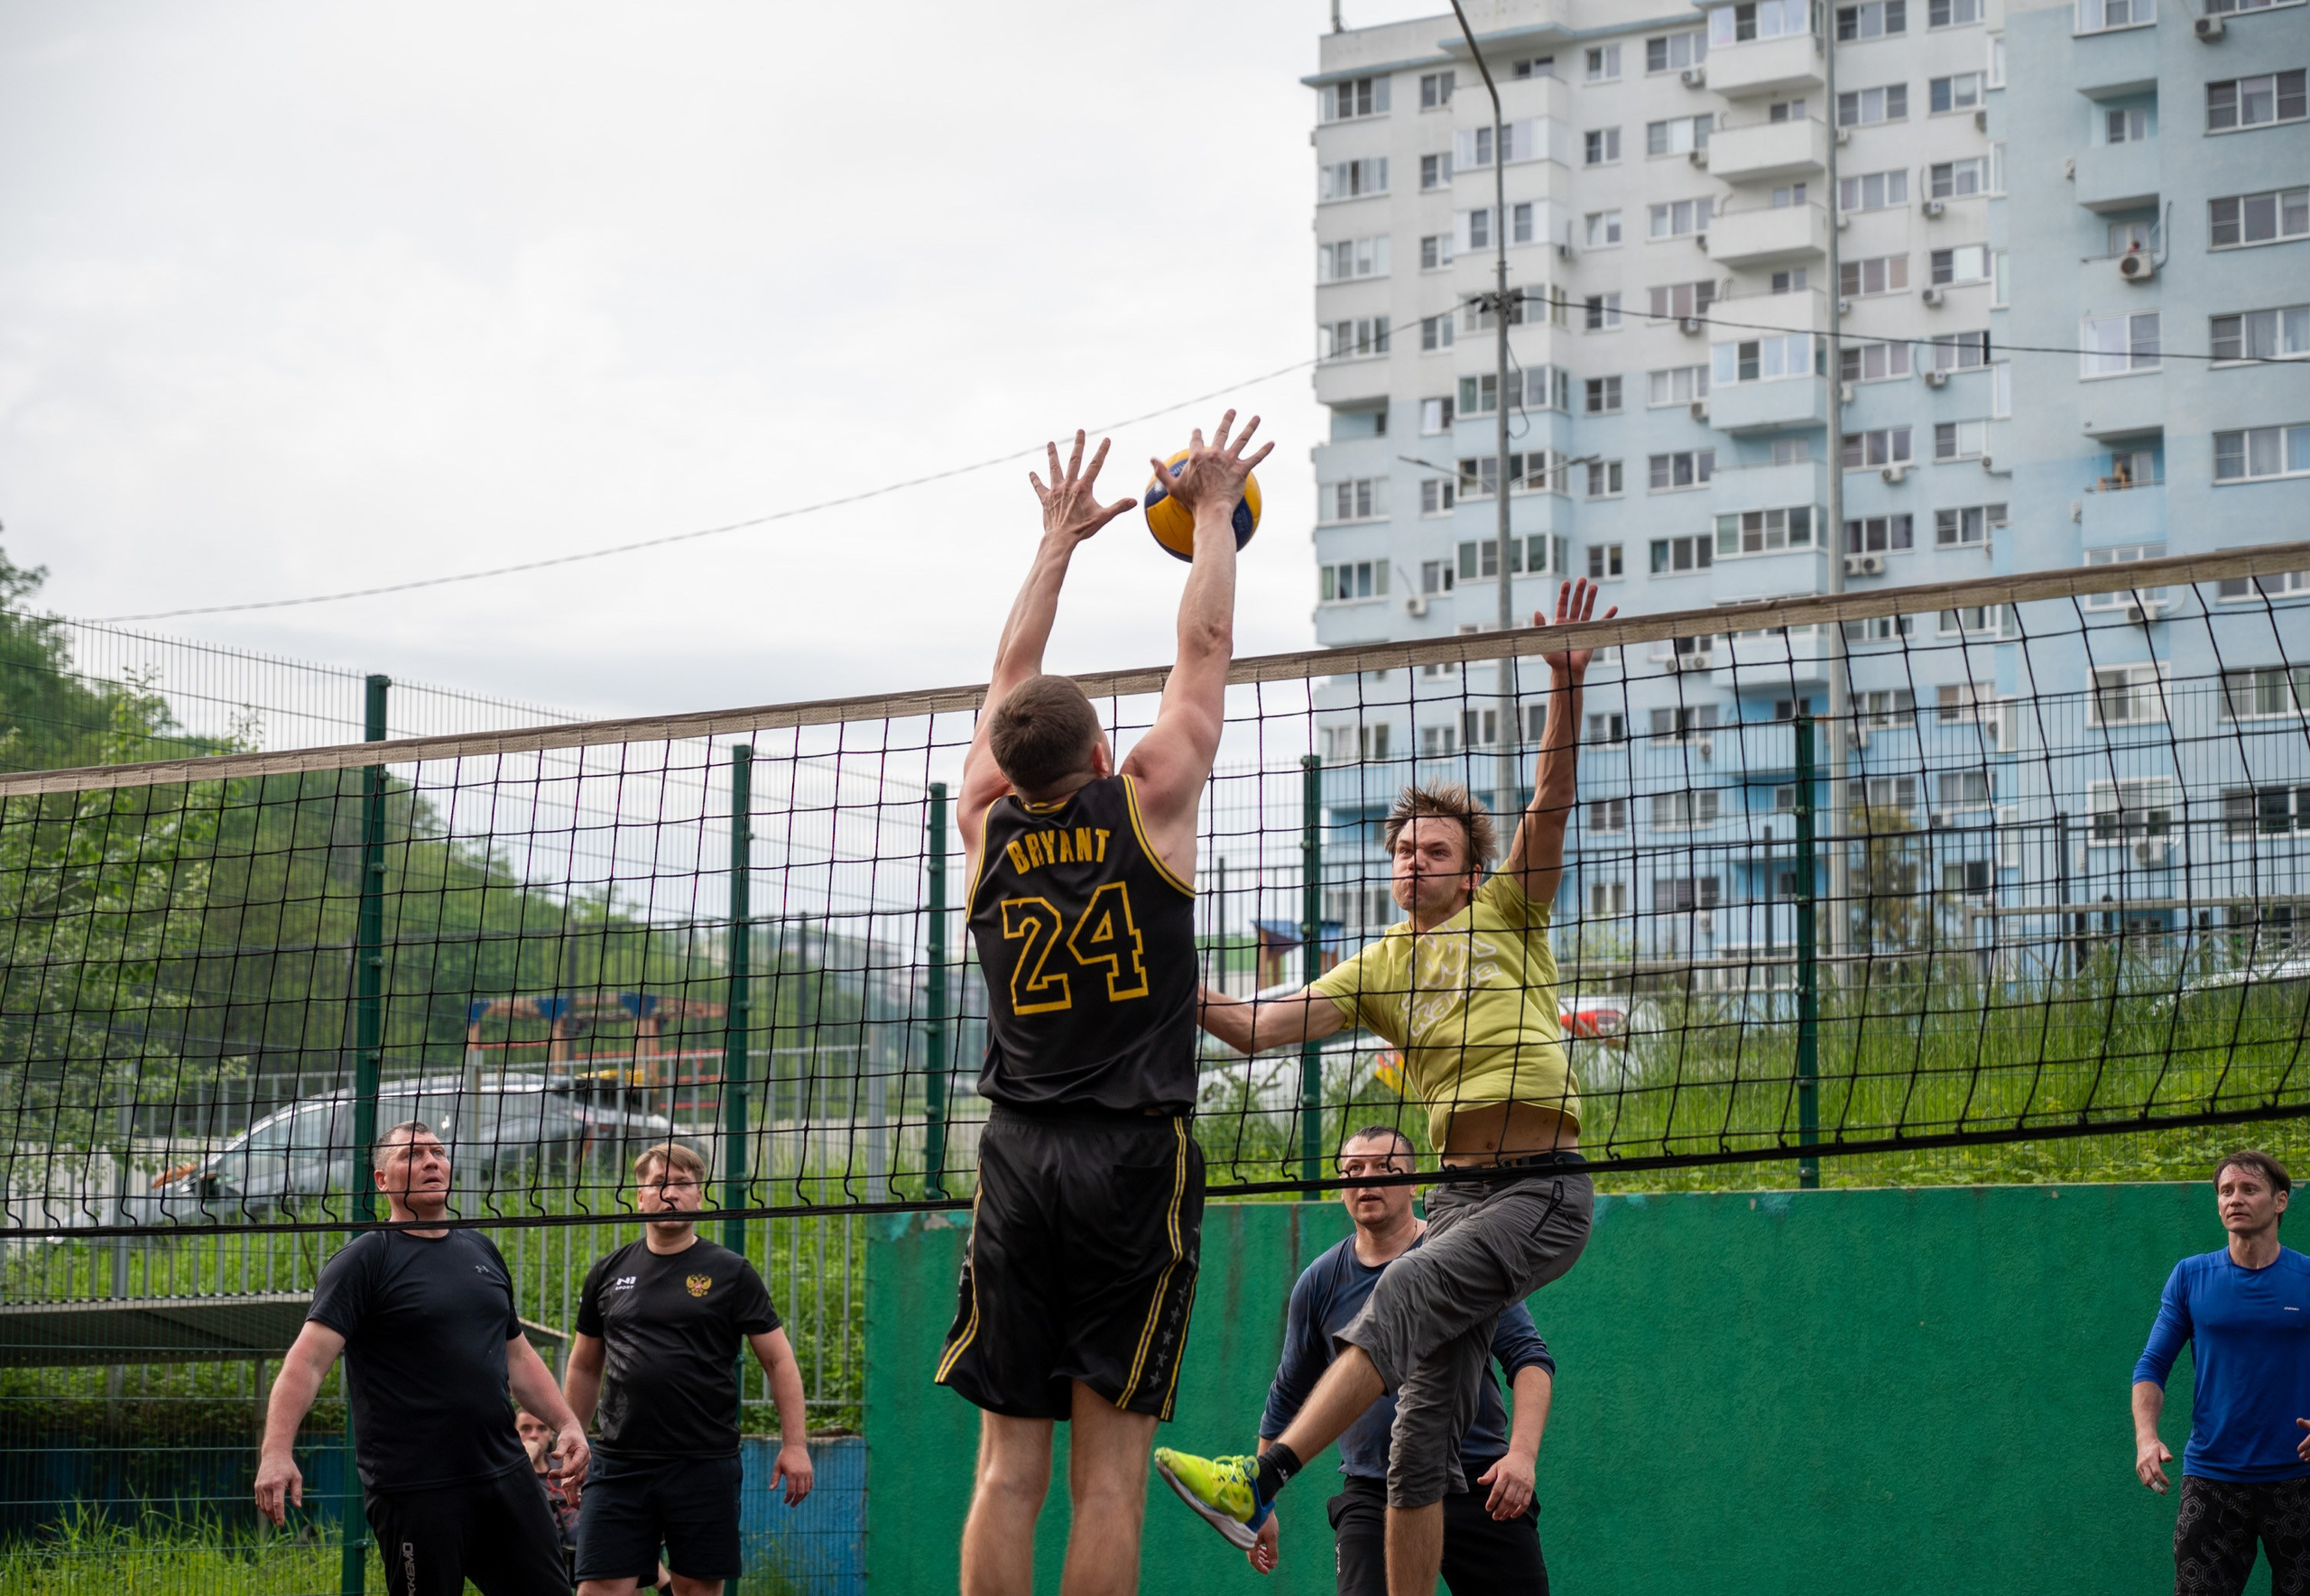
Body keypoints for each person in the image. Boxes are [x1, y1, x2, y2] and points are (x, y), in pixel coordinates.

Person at [1156, 577, 1614, 1596]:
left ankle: (1260, 1470)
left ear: (1468, 868)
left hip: (1542, 1184)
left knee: (1400, 1279)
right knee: (1414, 1439)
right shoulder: (1373, 968)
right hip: (1460, 1193)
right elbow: (1255, 1025)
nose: (1414, 861)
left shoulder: (1509, 913)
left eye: (1435, 850)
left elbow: (1551, 802)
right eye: (1403, 850)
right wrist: (1166, 969)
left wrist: (1566, 686)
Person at [934, 415, 1270, 1596]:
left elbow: (1003, 688)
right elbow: (1209, 640)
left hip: (1016, 1157)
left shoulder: (985, 826)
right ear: (1101, 748)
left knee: (1003, 1474)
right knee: (1110, 1479)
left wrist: (1055, 545)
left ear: (1008, 763)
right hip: (1131, 1157)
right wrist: (1216, 512)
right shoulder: (1150, 799)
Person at [254, 1121, 587, 1596]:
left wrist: (568, 1422)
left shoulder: (480, 1249)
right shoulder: (364, 1260)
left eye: (437, 1151)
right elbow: (305, 1364)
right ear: (382, 1181)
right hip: (417, 1488)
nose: (432, 1161)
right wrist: (275, 1453)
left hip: (503, 1474)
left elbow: (517, 1354)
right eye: (412, 1155)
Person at [1250, 1126, 1555, 1596]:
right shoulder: (1319, 1283)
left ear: (1415, 1182)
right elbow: (1286, 1396)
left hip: (1480, 1483)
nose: (1366, 1180)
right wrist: (1261, 1503)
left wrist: (1521, 1457)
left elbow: (1529, 1358)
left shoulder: (1463, 1255)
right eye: (1353, 1170)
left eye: (1383, 1167)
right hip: (1374, 1491)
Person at [563, 1141, 813, 1596]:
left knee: (696, 1589)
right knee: (599, 1587)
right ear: (639, 1196)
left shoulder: (731, 1272)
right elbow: (583, 1366)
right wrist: (574, 1436)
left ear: (700, 1196)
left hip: (703, 1462)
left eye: (681, 1184)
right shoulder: (608, 1272)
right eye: (658, 1183)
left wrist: (794, 1444)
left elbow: (779, 1361)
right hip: (620, 1462)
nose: (669, 1193)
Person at [2133, 1149, 2310, 1595]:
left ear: (2281, 1201)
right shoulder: (2191, 1276)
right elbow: (2152, 1364)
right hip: (2212, 1480)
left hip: (2300, 1478)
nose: (2235, 1199)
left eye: (2249, 1189)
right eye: (2226, 1191)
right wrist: (2146, 1437)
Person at [517, 1406, 581, 1580]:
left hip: (580, 1538)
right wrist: (525, 1457)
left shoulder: (562, 1466)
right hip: (547, 1545)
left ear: (552, 1435)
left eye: (542, 1428)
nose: (534, 1435)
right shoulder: (513, 1472)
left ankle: (665, 1587)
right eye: (525, 1428)